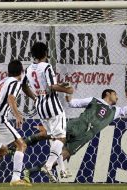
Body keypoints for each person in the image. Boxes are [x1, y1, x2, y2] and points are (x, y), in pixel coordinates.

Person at [20, 88, 127, 182]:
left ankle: (31, 171)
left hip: (87, 135)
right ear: (108, 94)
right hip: (79, 124)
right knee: (48, 134)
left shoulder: (116, 111)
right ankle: (22, 143)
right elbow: (73, 103)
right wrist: (69, 96)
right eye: (115, 94)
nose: (117, 97)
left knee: (64, 154)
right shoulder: (94, 100)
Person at [22, 42, 73, 182]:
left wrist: (35, 97)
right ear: (45, 52)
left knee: (55, 138)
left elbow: (23, 86)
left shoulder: (29, 69)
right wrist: (67, 90)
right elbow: (51, 87)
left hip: (40, 106)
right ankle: (49, 165)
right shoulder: (47, 66)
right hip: (53, 106)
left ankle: (62, 170)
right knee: (61, 138)